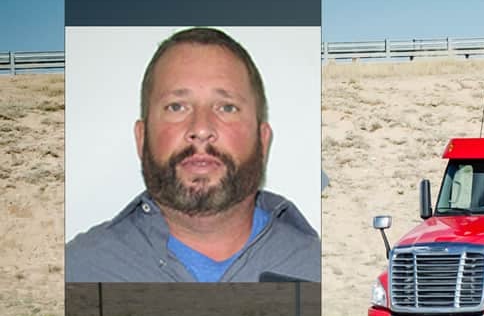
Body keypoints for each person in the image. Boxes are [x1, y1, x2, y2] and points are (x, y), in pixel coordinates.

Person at [66, 27, 320, 282]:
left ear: (263, 140)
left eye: (227, 107)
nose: (201, 129)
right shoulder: (79, 271)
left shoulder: (317, 267)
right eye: (176, 107)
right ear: (142, 138)